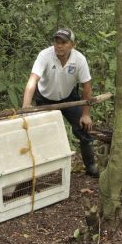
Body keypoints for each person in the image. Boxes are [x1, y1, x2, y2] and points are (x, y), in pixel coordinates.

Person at [22, 28, 99, 177]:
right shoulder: (45, 55)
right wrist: (26, 105)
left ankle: (90, 167)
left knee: (85, 129)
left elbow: (87, 86)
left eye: (63, 42)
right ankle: (38, 172)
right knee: (40, 134)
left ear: (72, 44)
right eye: (57, 42)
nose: (59, 46)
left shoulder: (79, 60)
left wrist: (86, 114)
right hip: (45, 99)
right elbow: (33, 80)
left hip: (69, 97)